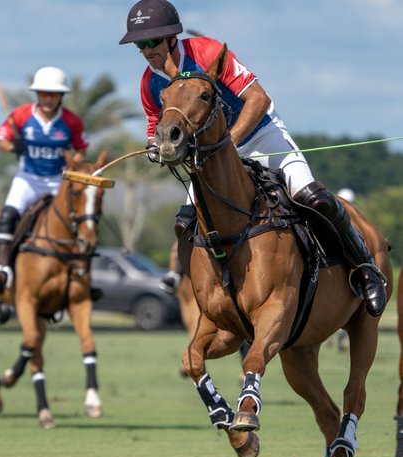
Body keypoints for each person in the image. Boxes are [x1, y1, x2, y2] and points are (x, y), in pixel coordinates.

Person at [119, 0, 387, 317]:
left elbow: (258, 98)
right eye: (140, 44)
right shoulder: (149, 83)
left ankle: (364, 268)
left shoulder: (207, 52)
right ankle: (213, 289)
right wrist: (156, 147)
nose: (147, 49)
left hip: (261, 135)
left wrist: (229, 143)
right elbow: (156, 126)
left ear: (172, 37)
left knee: (312, 197)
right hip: (213, 158)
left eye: (153, 41)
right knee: (184, 221)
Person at [0, 66, 90, 294]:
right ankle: (2, 266)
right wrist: (13, 146)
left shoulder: (72, 121)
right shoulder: (21, 115)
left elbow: (81, 150)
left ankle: (83, 272)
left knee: (81, 219)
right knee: (8, 215)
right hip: (28, 179)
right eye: (44, 93)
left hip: (57, 181)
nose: (48, 99)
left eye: (53, 94)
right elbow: (0, 142)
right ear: (37, 94)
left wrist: (74, 164)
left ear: (61, 96)